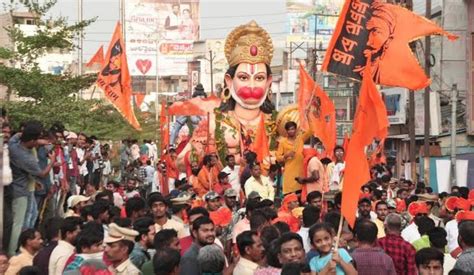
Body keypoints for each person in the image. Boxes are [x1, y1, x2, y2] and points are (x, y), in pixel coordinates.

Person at [7, 121, 56, 256]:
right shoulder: (27, 157)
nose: (38, 143)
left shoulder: (13, 145)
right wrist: (52, 161)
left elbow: (17, 135)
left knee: (30, 217)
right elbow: (42, 173)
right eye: (37, 139)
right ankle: (13, 252)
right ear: (32, 140)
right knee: (19, 223)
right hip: (21, 191)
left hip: (21, 187)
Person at [276, 121, 312, 195]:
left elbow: (311, 130)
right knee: (290, 197)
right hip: (289, 174)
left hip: (300, 173)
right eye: (289, 129)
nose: (291, 131)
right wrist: (286, 155)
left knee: (300, 197)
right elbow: (278, 158)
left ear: (296, 130)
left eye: (292, 129)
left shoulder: (300, 139)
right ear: (286, 131)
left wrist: (308, 116)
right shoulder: (283, 142)